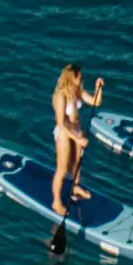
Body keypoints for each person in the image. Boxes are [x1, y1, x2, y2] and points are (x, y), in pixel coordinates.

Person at [50, 61, 104, 221]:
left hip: (76, 133)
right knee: (62, 169)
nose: (81, 80)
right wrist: (77, 139)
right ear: (71, 78)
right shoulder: (60, 96)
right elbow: (60, 123)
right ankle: (56, 202)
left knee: (76, 165)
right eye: (79, 77)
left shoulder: (76, 91)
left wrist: (99, 88)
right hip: (65, 134)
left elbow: (96, 102)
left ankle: (75, 188)